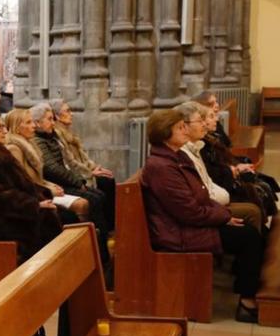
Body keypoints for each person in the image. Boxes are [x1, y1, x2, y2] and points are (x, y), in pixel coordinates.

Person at [140, 109, 264, 323]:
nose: (185, 130)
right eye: (180, 127)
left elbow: (201, 196)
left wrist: (223, 215)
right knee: (250, 237)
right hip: (178, 234)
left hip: (189, 225)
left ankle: (246, 291)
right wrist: (223, 217)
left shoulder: (175, 158)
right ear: (164, 133)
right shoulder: (162, 167)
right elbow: (188, 212)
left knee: (246, 230)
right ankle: (246, 302)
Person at [0, 108, 62, 261]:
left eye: (4, 126)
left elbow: (23, 183)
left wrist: (42, 195)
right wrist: (34, 204)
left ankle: (57, 272)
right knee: (45, 221)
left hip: (9, 210)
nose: (5, 131)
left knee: (56, 214)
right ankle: (44, 277)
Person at [175, 102, 265, 231]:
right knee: (251, 211)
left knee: (255, 192)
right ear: (184, 127)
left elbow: (210, 178)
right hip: (204, 214)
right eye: (202, 120)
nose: (205, 124)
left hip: (215, 199)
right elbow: (197, 196)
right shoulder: (183, 153)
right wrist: (231, 171)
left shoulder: (198, 145)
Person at [31, 102, 110, 234]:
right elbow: (51, 168)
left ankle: (104, 236)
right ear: (38, 123)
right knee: (93, 199)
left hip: (64, 181)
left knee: (100, 193)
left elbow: (72, 161)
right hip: (54, 186)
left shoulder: (52, 137)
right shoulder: (38, 140)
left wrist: (87, 173)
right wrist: (79, 181)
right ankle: (96, 243)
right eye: (49, 119)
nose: (53, 122)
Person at [5, 108, 88, 222]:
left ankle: (90, 234)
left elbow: (39, 177)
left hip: (41, 190)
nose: (34, 125)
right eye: (29, 122)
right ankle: (85, 235)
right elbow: (24, 181)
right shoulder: (14, 148)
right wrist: (48, 190)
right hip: (34, 196)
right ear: (17, 127)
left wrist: (51, 185)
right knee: (79, 206)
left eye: (32, 121)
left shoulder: (30, 143)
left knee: (88, 200)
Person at [50, 99, 116, 227]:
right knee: (102, 188)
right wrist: (90, 173)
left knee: (108, 178)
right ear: (57, 116)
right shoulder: (57, 135)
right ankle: (104, 229)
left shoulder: (68, 132)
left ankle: (111, 227)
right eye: (67, 111)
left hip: (82, 172)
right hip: (75, 176)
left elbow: (83, 156)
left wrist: (95, 167)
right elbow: (70, 162)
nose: (71, 114)